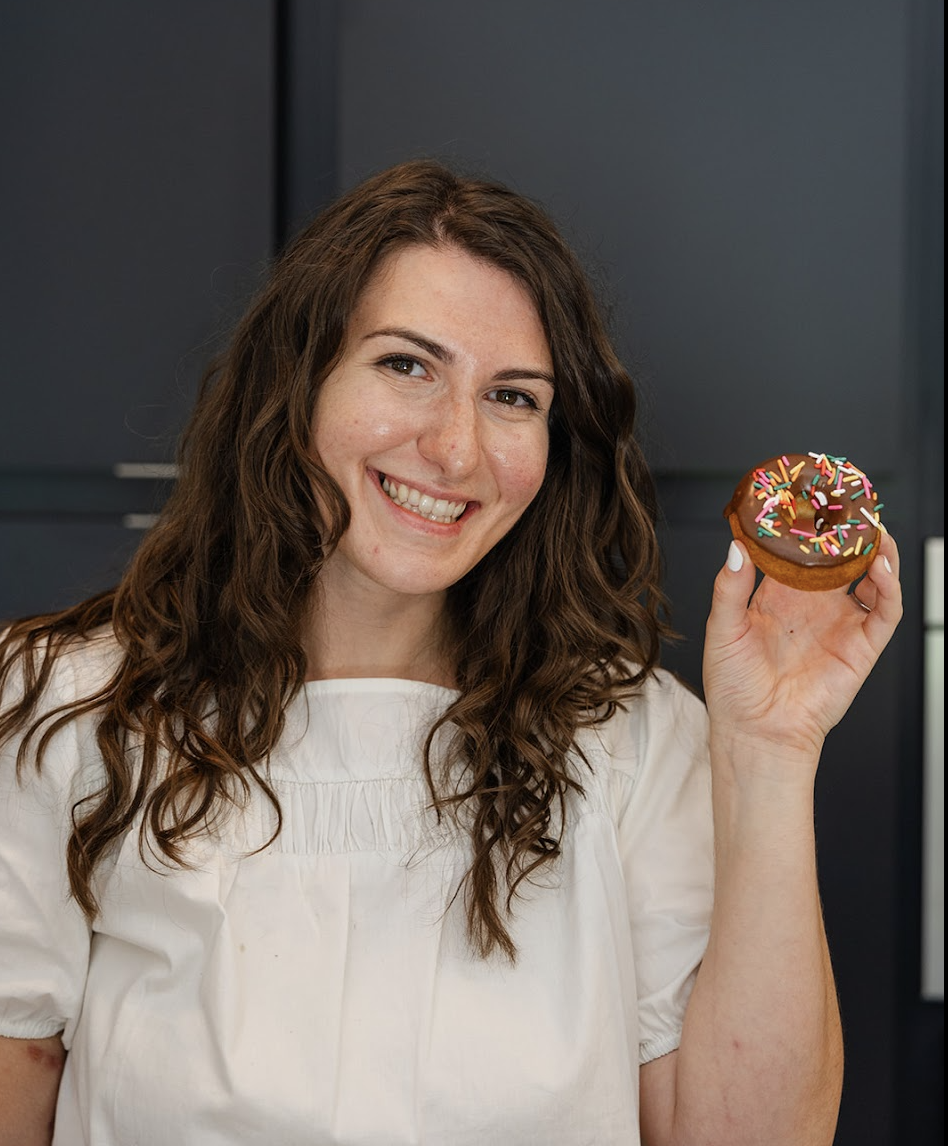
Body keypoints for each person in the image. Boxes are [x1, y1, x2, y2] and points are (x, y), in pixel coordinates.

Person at [0, 159, 901, 1146]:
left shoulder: (636, 742)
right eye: (406, 365)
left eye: (514, 397)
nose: (457, 449)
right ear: (297, 382)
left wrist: (771, 752)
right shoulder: (64, 711)